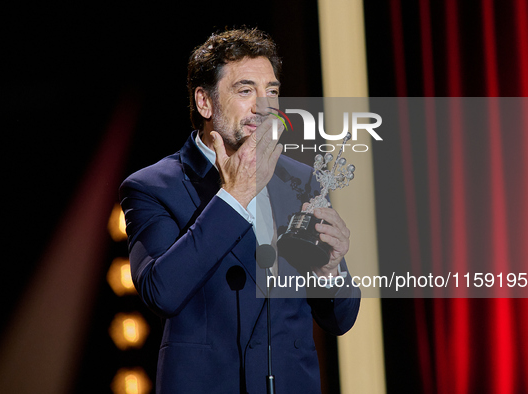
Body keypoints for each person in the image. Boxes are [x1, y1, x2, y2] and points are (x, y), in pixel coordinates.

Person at [119, 27, 360, 394]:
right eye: (246, 90)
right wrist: (235, 195)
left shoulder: (302, 181)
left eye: (272, 91)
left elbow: (340, 319)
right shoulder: (153, 186)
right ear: (204, 102)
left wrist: (329, 272)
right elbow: (161, 291)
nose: (264, 106)